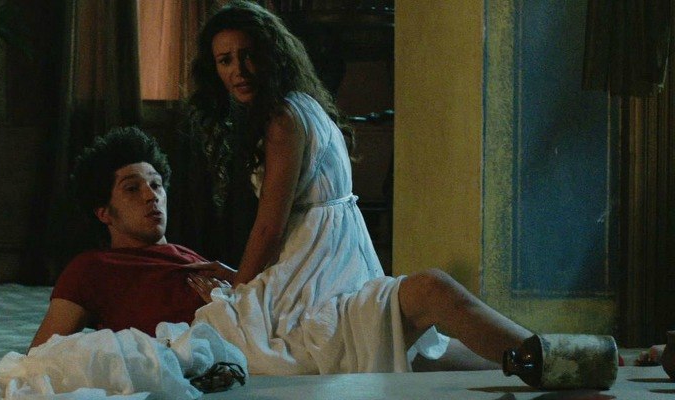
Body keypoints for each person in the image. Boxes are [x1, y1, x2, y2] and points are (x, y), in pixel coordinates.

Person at [183, 0, 533, 375]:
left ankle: (549, 355)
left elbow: (270, 228)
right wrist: (243, 279)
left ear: (271, 55)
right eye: (225, 61)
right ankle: (549, 356)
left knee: (422, 305)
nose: (239, 70)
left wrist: (238, 291)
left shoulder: (285, 118)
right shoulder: (297, 107)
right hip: (317, 267)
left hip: (322, 273)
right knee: (410, 340)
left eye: (248, 55)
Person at [29, 126, 211, 350]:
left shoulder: (193, 260)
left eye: (156, 185)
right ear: (104, 213)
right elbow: (39, 356)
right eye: (132, 188)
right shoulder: (93, 268)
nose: (151, 196)